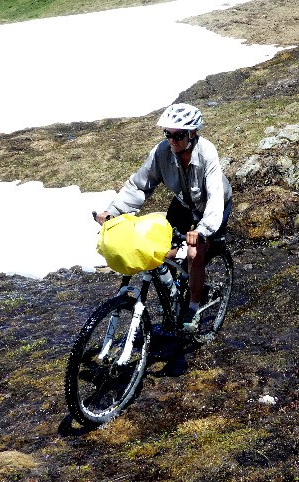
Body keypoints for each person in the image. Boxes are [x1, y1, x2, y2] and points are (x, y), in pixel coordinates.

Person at [95, 103, 232, 331]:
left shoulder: (207, 152)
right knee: (159, 246)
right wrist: (114, 211)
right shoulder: (162, 152)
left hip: (213, 206)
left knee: (194, 252)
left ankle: (193, 307)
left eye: (178, 135)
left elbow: (216, 197)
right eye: (167, 133)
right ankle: (176, 289)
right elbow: (139, 186)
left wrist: (202, 230)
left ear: (192, 133)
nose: (172, 140)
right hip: (183, 204)